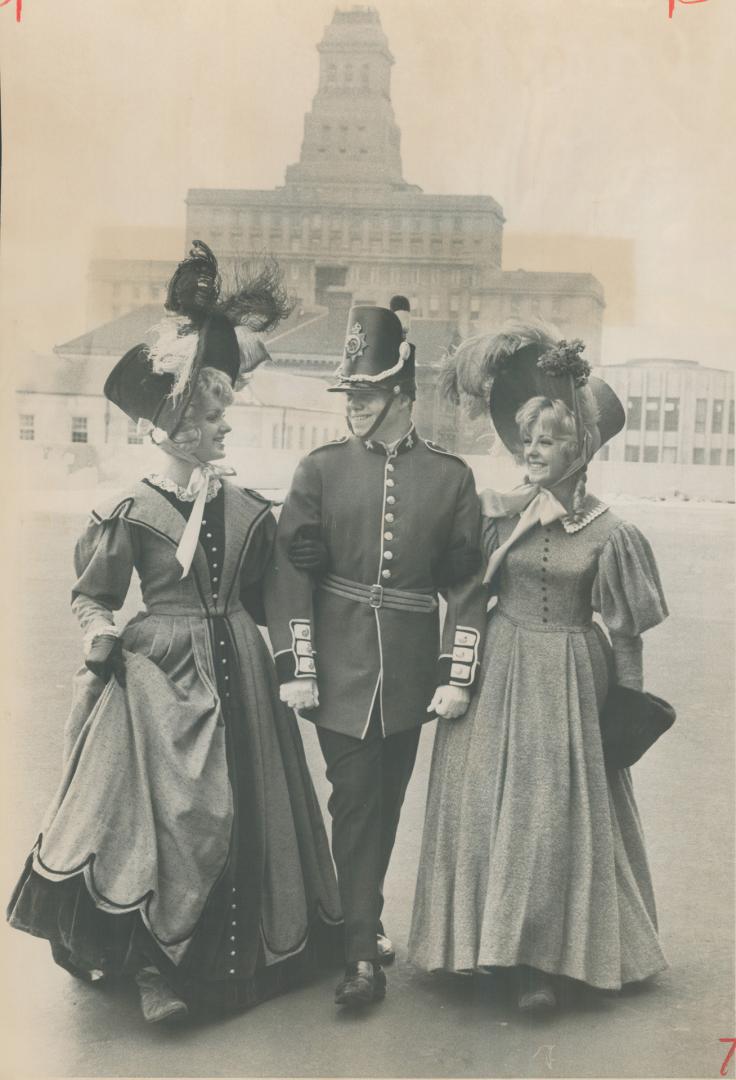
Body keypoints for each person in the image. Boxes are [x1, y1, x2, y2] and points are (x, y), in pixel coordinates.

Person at [7, 243, 341, 1023]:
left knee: (247, 808)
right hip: (157, 683)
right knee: (171, 822)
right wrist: (97, 637)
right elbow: (92, 596)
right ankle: (159, 970)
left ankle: (245, 955)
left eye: (223, 411)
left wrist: (310, 565)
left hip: (244, 676)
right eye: (210, 415)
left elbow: (267, 594)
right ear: (175, 426)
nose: (223, 426)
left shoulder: (247, 508)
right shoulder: (130, 511)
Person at [408, 323, 669, 1011]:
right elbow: (464, 593)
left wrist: (626, 717)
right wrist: (456, 674)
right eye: (526, 441)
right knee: (487, 806)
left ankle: (543, 963)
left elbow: (627, 633)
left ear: (579, 447)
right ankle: (476, 946)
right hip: (498, 670)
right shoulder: (499, 515)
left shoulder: (613, 534)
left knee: (551, 816)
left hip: (572, 680)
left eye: (546, 442)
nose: (530, 452)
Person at [265, 302, 487, 1008]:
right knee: (355, 801)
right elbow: (287, 575)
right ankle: (360, 957)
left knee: (384, 807)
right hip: (336, 667)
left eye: (367, 394)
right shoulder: (319, 470)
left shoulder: (451, 479)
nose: (354, 406)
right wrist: (297, 666)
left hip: (411, 674)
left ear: (402, 392)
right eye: (351, 394)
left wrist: (457, 671)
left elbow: (469, 585)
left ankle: (358, 917)